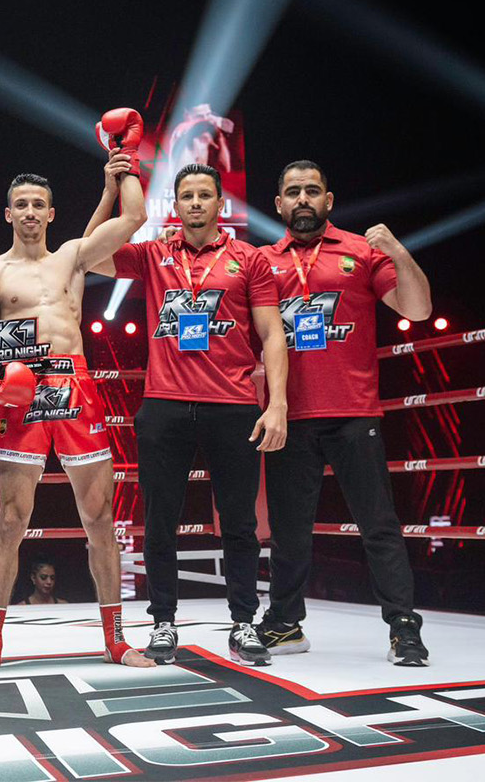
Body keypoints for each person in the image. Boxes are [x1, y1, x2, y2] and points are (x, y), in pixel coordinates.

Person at [89, 162, 287, 667]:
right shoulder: (153, 254)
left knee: (240, 522)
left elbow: (272, 334)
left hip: (234, 403)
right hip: (165, 402)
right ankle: (163, 622)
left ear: (220, 203)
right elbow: (89, 252)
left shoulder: (250, 259)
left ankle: (243, 623)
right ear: (174, 205)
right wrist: (111, 192)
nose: (196, 203)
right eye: (187, 196)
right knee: (160, 521)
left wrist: (277, 403)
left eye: (204, 195)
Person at [0, 145, 154, 673]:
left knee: (99, 517)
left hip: (73, 385)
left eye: (38, 204)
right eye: (20, 204)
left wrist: (123, 166)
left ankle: (116, 640)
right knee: (11, 519)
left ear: (51, 213)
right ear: (8, 213)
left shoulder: (72, 256)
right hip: (21, 391)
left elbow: (134, 217)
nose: (29, 212)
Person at [257, 160, 433, 666]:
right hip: (290, 414)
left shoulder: (361, 250)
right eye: (294, 191)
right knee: (289, 530)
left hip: (354, 411)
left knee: (378, 524)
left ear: (328, 200)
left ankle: (404, 627)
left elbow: (418, 309)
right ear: (279, 204)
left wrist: (397, 249)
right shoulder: (262, 261)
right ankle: (285, 623)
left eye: (312, 190)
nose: (303, 199)